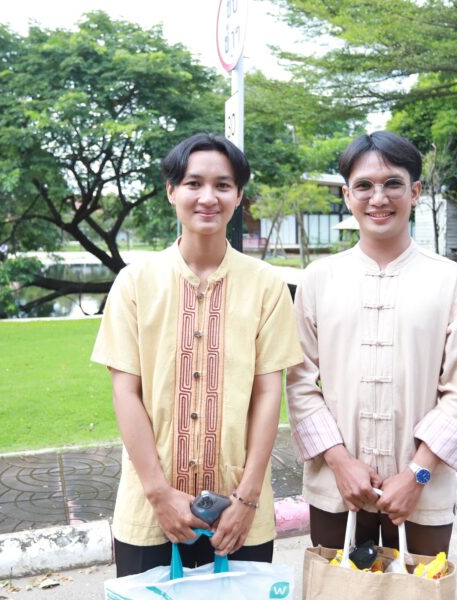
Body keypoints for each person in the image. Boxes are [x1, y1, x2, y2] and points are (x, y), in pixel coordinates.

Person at [91, 133, 303, 576]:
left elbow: (268, 394)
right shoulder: (135, 283)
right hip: (149, 510)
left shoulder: (266, 285)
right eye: (193, 183)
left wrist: (247, 498)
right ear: (172, 191)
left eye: (223, 185)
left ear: (239, 196)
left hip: (239, 512)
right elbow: (125, 392)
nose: (208, 197)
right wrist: (158, 494)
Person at [286, 131, 457, 556]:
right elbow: (299, 382)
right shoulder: (318, 279)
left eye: (393, 183)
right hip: (336, 486)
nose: (378, 198)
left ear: (415, 191)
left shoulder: (451, 281)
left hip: (423, 490)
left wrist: (418, 474)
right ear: (347, 195)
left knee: (421, 581)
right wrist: (340, 462)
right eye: (364, 186)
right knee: (335, 583)